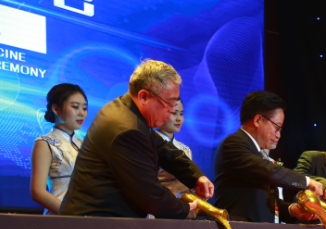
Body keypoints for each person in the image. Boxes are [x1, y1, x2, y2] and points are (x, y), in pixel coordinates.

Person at [59, 59, 213, 218]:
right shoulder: (127, 128)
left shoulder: (125, 109)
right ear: (144, 97)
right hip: (94, 224)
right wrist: (187, 209)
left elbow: (162, 148)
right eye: (170, 103)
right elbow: (151, 195)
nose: (172, 110)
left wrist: (196, 176)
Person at [212, 90, 322, 222]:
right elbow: (268, 171)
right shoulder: (232, 144)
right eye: (277, 127)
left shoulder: (257, 153)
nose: (278, 135)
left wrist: (291, 210)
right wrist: (307, 182)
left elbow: (266, 205)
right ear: (258, 120)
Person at [30, 84, 88, 215]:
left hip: (88, 218)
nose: (81, 113)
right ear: (55, 108)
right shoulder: (44, 143)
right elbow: (37, 192)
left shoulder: (85, 145)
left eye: (84, 108)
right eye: (75, 107)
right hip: (60, 219)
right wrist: (74, 214)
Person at [155, 101, 191, 195]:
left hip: (186, 202)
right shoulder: (150, 145)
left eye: (181, 114)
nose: (179, 119)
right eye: (174, 113)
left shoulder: (185, 149)